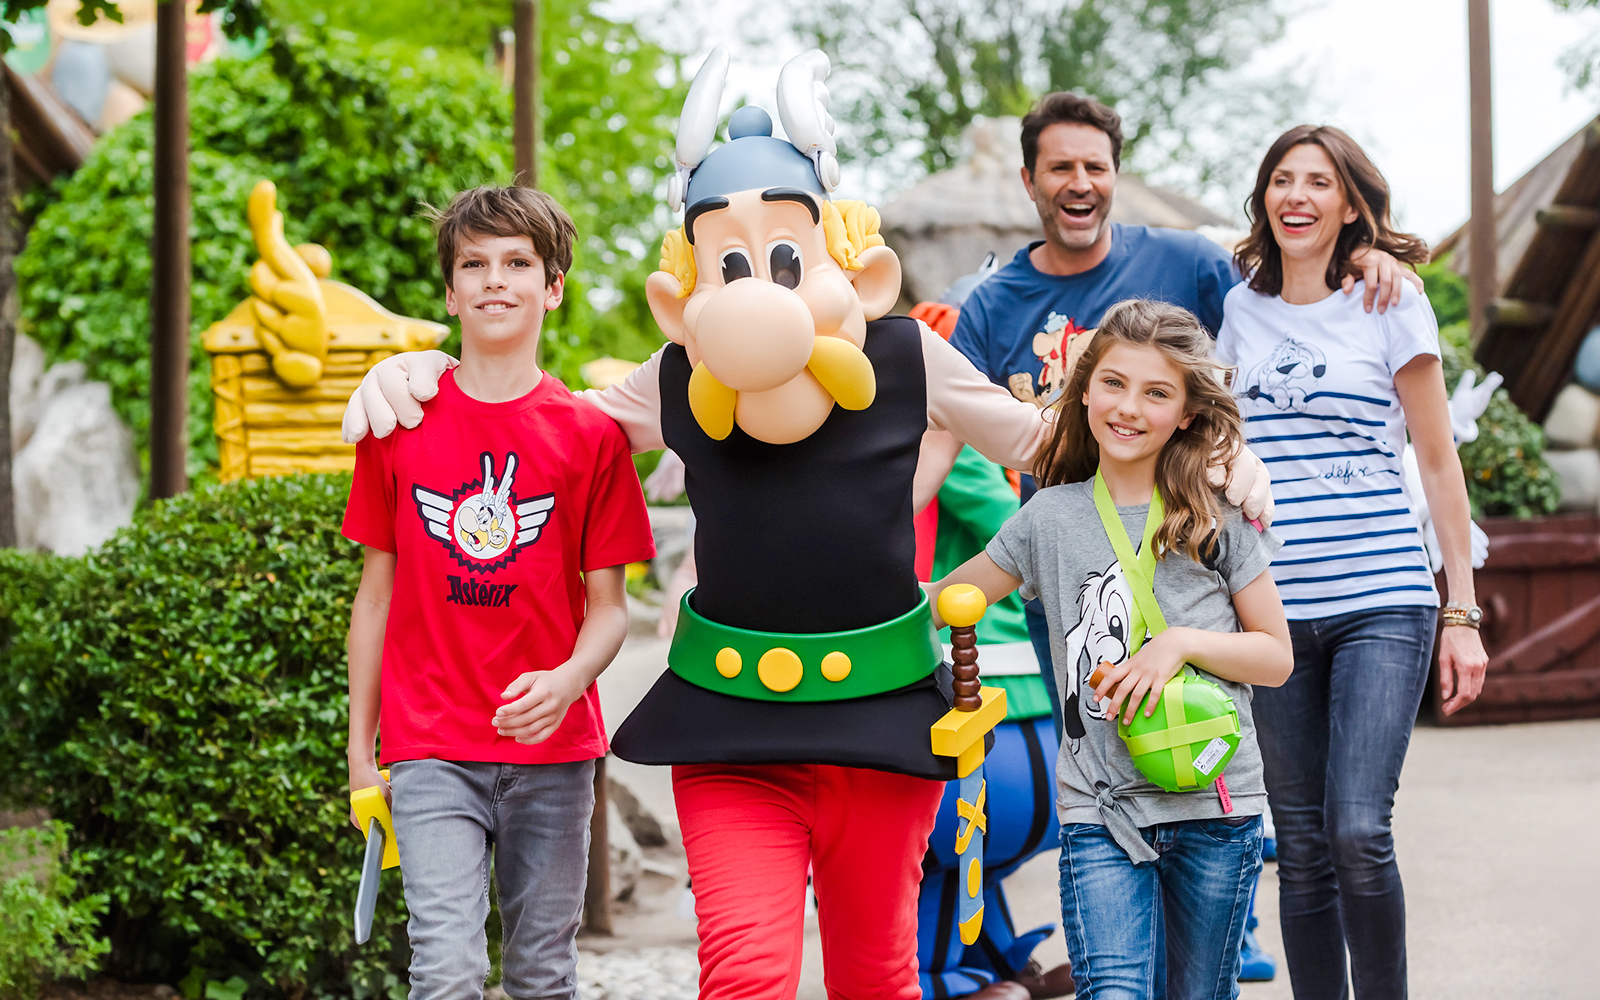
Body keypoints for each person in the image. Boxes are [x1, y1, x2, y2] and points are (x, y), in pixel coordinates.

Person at [944, 92, 1419, 721]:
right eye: (1060, 168)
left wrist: (1359, 255)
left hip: (1185, 559)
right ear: (1030, 180)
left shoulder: (1188, 263)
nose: (1080, 183)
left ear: (1116, 174)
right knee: (1091, 755)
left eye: (1096, 166)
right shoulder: (989, 305)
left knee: (1200, 750)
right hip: (1064, 569)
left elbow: (1281, 308)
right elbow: (942, 432)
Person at [928, 299, 1294, 1000]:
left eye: (1157, 392)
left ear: (1187, 412)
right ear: (1086, 388)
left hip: (1215, 809)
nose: (1130, 408)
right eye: (1115, 384)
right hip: (1100, 809)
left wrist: (1181, 644)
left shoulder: (1215, 514)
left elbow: (1275, 657)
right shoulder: (1046, 518)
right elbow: (946, 601)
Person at [342, 185, 656, 1000]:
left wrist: (568, 680)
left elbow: (610, 607)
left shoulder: (591, 437)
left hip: (554, 754)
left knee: (541, 975)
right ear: (449, 291)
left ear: (552, 285)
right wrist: (358, 752)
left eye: (518, 262)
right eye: (473, 264)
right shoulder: (397, 428)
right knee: (444, 973)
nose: (494, 280)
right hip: (429, 747)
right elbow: (374, 598)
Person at [1215, 125, 1489, 1000]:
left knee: (1358, 829)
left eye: (1319, 183)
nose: (1297, 196)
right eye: (1282, 181)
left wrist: (1463, 611)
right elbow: (1224, 456)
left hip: (1385, 600)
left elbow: (1438, 462)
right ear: (1264, 199)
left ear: (1348, 204)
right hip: (1272, 615)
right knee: (1298, 843)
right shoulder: (1239, 311)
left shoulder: (1391, 300)